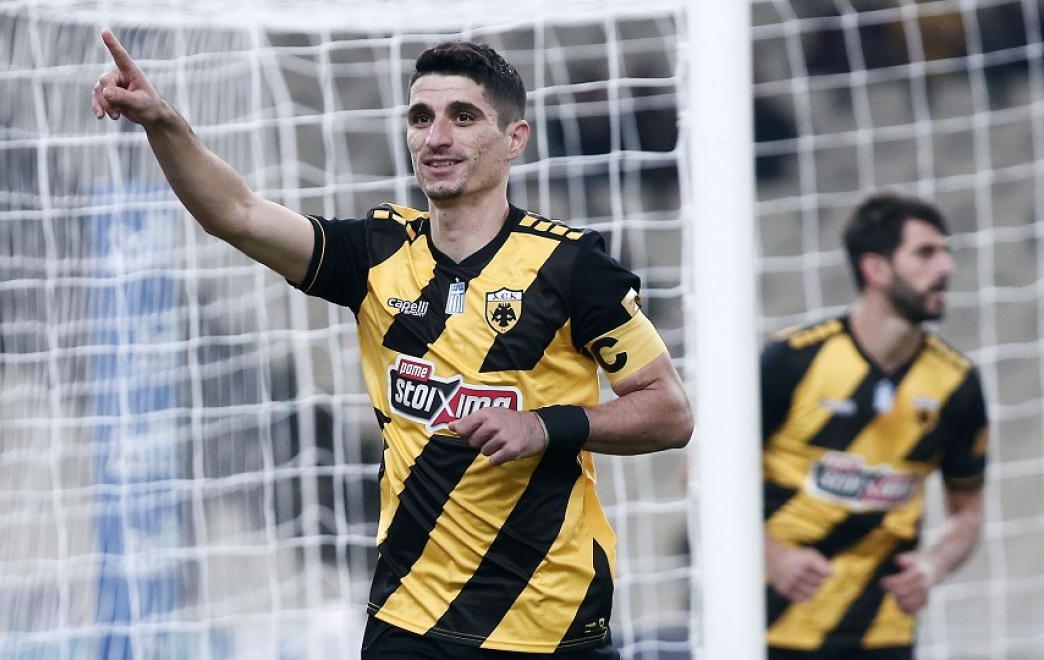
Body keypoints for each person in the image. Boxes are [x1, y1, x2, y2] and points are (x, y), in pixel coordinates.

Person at [91, 30, 693, 659]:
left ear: (515, 139)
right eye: (421, 117)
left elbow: (670, 411)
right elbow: (236, 213)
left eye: (463, 117)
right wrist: (162, 123)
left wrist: (544, 426)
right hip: (409, 625)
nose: (437, 137)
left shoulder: (572, 267)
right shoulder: (378, 253)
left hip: (550, 624)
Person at [760, 193, 988, 659]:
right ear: (875, 269)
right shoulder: (793, 361)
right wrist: (772, 555)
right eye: (926, 253)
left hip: (885, 633)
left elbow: (967, 511)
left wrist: (933, 566)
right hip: (771, 624)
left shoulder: (956, 383)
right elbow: (704, 473)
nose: (946, 267)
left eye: (946, 252)